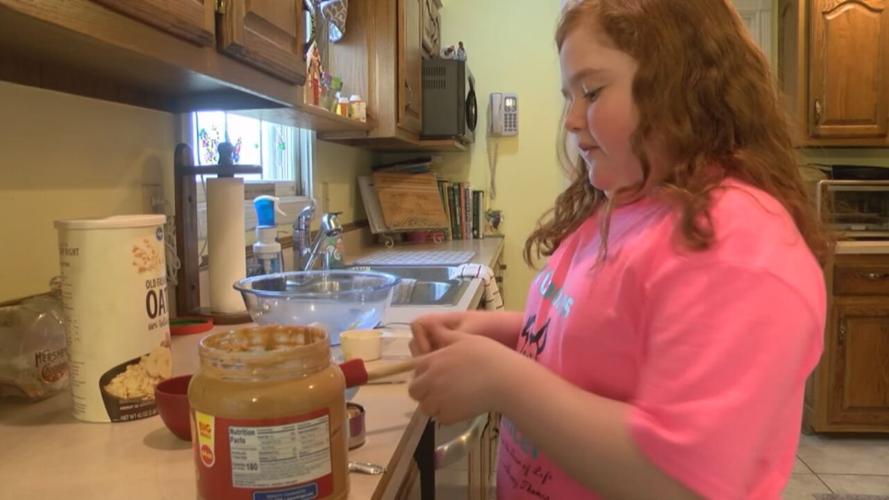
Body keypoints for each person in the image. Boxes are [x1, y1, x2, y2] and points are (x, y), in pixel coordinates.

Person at [406, 0, 830, 498]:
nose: (570, 119)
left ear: (683, 82)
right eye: (569, 96)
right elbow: (602, 336)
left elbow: (680, 481)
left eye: (591, 91)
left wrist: (505, 381)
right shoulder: (624, 206)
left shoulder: (739, 248)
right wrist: (503, 334)